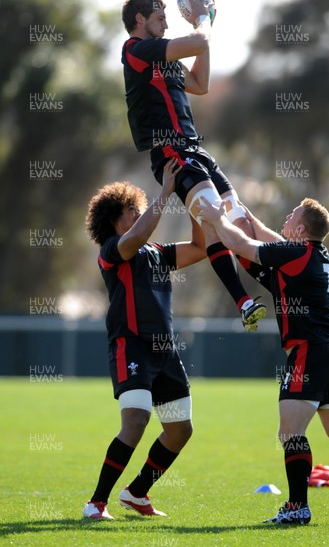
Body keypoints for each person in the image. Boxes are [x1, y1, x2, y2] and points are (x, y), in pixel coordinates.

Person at [198, 196, 329, 526]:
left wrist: (216, 217)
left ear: (301, 228)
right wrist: (248, 217)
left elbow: (242, 243)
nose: (286, 216)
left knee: (290, 433)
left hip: (310, 352)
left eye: (292, 214)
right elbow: (266, 239)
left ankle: (296, 507)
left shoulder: (296, 252)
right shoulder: (316, 254)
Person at [120, 0, 265, 331]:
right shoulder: (138, 50)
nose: (167, 23)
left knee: (238, 218)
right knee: (215, 218)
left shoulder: (163, 57)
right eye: (160, 17)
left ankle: (284, 288)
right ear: (140, 20)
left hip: (195, 150)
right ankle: (243, 302)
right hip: (171, 152)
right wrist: (203, 21)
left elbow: (200, 84)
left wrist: (205, 28)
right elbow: (198, 42)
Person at [82, 159, 205, 520]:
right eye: (130, 209)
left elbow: (199, 247)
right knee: (135, 422)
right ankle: (96, 503)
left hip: (164, 351)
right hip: (130, 347)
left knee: (180, 430)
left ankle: (136, 493)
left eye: (138, 208)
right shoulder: (113, 250)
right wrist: (166, 192)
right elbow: (135, 238)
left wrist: (195, 198)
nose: (137, 213)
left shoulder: (157, 253)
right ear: (112, 221)